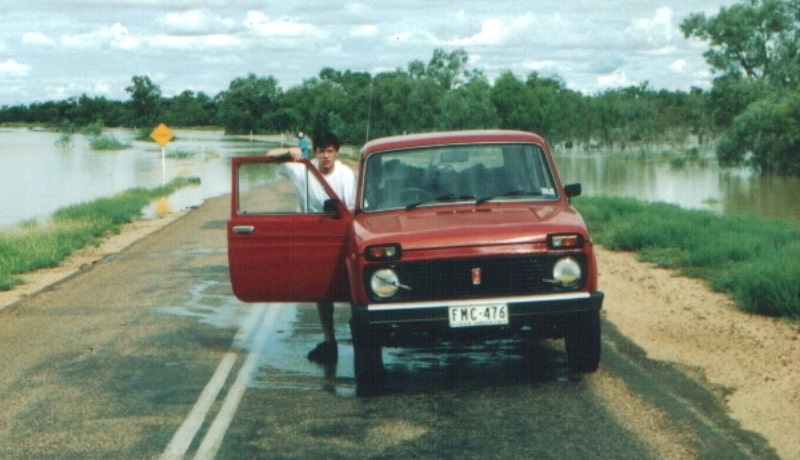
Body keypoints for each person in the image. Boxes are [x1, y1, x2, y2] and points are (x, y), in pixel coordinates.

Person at [267, 132, 355, 364]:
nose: (326, 156)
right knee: (321, 290)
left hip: (339, 232)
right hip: (312, 234)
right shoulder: (302, 168)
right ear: (314, 151)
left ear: (336, 152)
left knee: (353, 287)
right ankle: (329, 342)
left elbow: (353, 211)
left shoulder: (346, 174)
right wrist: (289, 152)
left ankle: (361, 337)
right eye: (321, 150)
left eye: (330, 151)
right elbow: (269, 155)